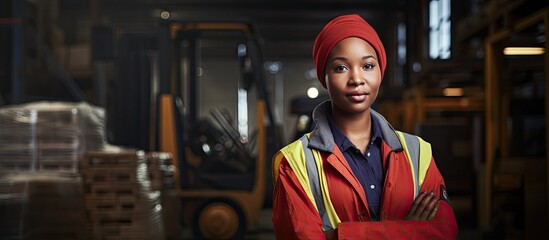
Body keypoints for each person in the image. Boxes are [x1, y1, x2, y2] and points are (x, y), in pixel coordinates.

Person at [271, 14, 458, 239]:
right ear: (324, 77)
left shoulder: (418, 152)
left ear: (381, 72)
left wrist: (339, 235)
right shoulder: (295, 162)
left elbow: (445, 231)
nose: (357, 79)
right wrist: (408, 231)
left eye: (368, 65)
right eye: (341, 68)